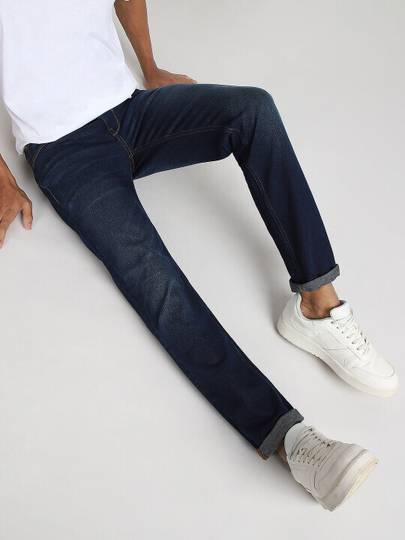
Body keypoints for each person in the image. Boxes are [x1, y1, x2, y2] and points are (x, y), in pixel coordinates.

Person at [0, 0, 398, 511]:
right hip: (62, 148)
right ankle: (291, 440)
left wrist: (149, 68)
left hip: (130, 110)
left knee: (252, 110)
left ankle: (318, 305)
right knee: (149, 271)